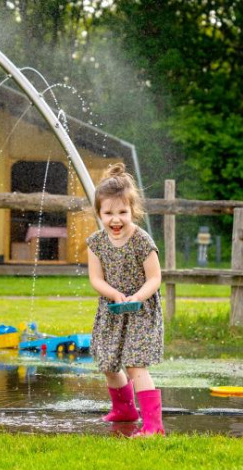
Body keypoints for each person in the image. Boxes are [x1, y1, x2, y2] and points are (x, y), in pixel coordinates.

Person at [86, 162, 164, 437]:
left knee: (134, 364)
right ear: (99, 213)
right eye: (108, 213)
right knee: (108, 364)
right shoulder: (96, 243)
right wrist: (113, 294)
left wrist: (137, 296)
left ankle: (154, 426)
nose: (115, 219)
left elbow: (155, 277)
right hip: (112, 310)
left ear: (132, 211)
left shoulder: (142, 240)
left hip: (141, 310)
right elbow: (96, 279)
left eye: (122, 212)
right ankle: (124, 410)